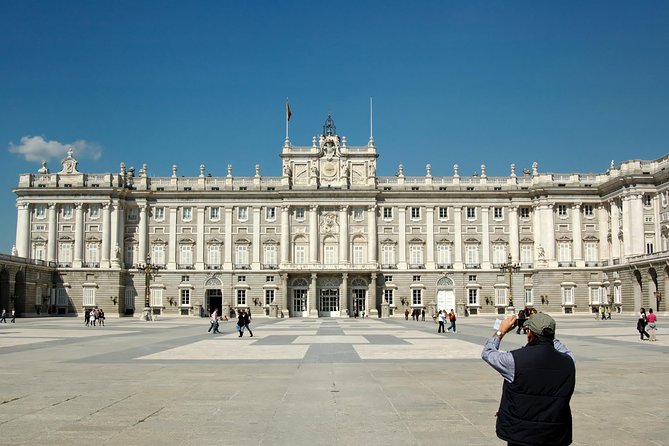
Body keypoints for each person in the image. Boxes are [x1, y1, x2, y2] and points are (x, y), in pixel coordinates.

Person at [482, 313, 576, 446]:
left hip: (521, 435)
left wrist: (501, 331)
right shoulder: (569, 361)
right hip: (555, 435)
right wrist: (547, 331)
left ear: (529, 333)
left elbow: (488, 353)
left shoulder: (513, 360)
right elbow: (562, 348)